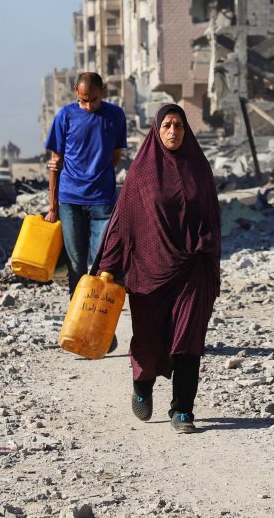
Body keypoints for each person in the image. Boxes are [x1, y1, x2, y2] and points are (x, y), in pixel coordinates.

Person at [93, 104, 222, 434]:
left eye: (179, 125)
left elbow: (212, 216)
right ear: (157, 129)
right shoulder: (142, 173)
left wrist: (207, 252)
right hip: (148, 272)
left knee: (188, 340)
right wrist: (108, 266)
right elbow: (123, 224)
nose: (173, 131)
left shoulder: (199, 168)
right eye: (167, 125)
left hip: (192, 267)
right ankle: (142, 384)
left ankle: (183, 410)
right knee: (148, 341)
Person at [44, 72, 128, 298]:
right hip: (70, 200)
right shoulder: (65, 116)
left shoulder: (115, 116)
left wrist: (97, 173)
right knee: (76, 263)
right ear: (76, 93)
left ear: (103, 92)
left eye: (94, 100)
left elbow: (115, 156)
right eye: (83, 100)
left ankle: (98, 313)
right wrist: (52, 207)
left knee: (103, 262)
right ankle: (77, 311)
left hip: (103, 201)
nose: (89, 106)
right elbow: (55, 163)